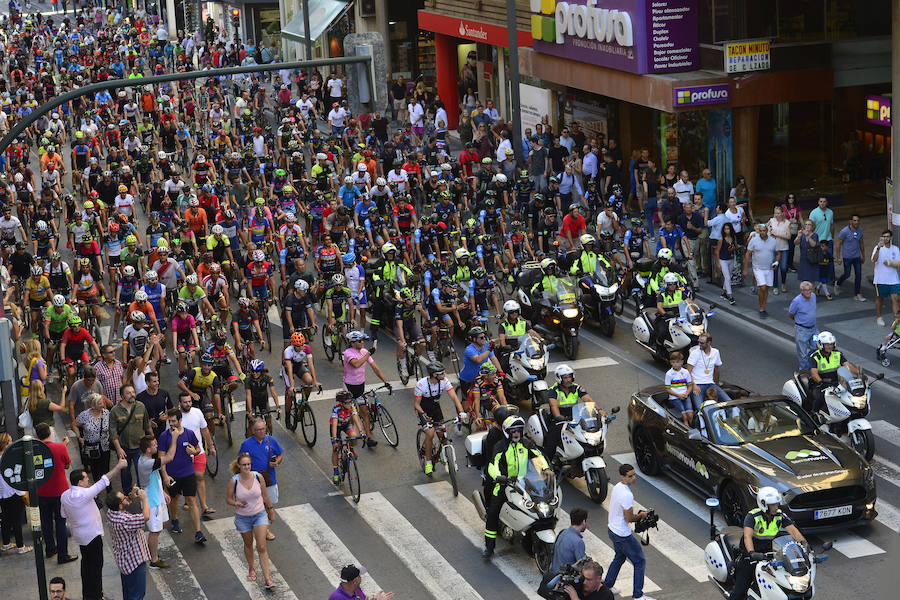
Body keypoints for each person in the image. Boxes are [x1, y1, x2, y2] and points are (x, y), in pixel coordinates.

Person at [61, 458, 129, 600]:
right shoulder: (83, 494)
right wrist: (118, 466)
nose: (88, 481)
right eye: (86, 479)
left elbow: (63, 514)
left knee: (86, 567)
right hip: (92, 536)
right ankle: (97, 595)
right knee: (96, 568)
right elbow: (103, 481)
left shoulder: (65, 496)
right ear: (80, 482)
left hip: (80, 537)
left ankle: (88, 595)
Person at [483, 415, 549, 558]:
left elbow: (538, 457)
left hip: (525, 483)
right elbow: (492, 465)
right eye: (513, 431)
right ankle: (489, 546)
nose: (517, 433)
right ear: (507, 432)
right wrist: (498, 477)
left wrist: (546, 469)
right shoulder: (500, 446)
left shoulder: (526, 444)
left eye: (519, 430)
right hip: (504, 484)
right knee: (493, 512)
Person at [728, 487, 806, 600]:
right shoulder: (753, 516)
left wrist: (805, 549)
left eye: (776, 504)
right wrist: (752, 553)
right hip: (751, 555)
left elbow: (794, 532)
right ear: (764, 504)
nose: (776, 507)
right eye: (773, 505)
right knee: (740, 590)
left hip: (770, 552)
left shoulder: (780, 516)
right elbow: (747, 536)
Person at [602, 464, 654, 600]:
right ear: (623, 476)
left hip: (612, 530)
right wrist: (642, 515)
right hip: (622, 534)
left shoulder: (617, 487)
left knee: (619, 557)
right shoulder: (627, 494)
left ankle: (606, 586)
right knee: (640, 561)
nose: (633, 478)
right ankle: (638, 595)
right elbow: (629, 518)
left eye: (634, 475)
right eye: (630, 476)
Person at [226, 453, 277, 589]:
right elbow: (228, 499)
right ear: (239, 466)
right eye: (244, 465)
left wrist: (271, 510)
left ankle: (267, 578)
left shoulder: (257, 477)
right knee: (248, 544)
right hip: (243, 518)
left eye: (248, 464)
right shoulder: (234, 481)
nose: (247, 467)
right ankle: (251, 568)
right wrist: (236, 503)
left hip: (259, 515)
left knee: (261, 546)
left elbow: (265, 495)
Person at [158, 408, 207, 545]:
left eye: (174, 421)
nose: (171, 423)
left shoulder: (189, 433)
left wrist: (195, 452)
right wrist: (165, 476)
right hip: (172, 475)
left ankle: (198, 532)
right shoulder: (164, 436)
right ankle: (174, 519)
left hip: (188, 473)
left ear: (180, 420)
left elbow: (198, 449)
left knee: (191, 500)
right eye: (170, 421)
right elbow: (161, 458)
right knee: (174, 499)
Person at [35, 423, 78, 564]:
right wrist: (63, 446)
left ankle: (50, 549)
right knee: (60, 522)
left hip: (41, 491)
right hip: (59, 491)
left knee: (46, 521)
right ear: (49, 433)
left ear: (37, 435)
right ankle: (63, 554)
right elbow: (66, 464)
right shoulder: (60, 447)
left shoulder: (34, 450)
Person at [414, 362, 465, 476]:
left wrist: (461, 412)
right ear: (434, 375)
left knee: (443, 435)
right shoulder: (421, 384)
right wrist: (424, 415)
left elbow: (454, 397)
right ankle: (428, 462)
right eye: (441, 373)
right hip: (423, 410)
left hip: (435, 408)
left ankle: (445, 456)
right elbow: (416, 405)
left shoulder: (444, 381)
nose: (444, 374)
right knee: (430, 434)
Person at [543, 364, 601, 463]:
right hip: (559, 421)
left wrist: (600, 411)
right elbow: (554, 407)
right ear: (559, 378)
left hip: (575, 419)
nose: (568, 380)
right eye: (565, 378)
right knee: (552, 441)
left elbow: (588, 400)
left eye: (570, 376)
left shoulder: (577, 388)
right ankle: (547, 464)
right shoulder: (553, 391)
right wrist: (559, 417)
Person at [136, 434, 178, 570]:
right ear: (148, 449)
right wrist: (175, 438)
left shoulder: (148, 459)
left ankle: (152, 551)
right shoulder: (147, 463)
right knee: (155, 531)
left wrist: (163, 492)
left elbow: (155, 475)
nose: (156, 446)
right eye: (154, 445)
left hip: (157, 497)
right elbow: (170, 457)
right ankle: (154, 559)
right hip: (151, 503)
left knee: (162, 524)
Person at [238, 418, 284, 541]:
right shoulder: (246, 444)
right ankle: (265, 529)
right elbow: (241, 461)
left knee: (270, 501)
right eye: (258, 430)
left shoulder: (271, 440)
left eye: (263, 429)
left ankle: (260, 524)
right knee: (261, 505)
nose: (261, 432)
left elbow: (280, 454)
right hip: (253, 480)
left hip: (269, 479)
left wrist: (276, 462)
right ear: (253, 431)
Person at [343, 330, 390, 447]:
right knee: (351, 413)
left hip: (360, 386)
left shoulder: (364, 351)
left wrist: (385, 381)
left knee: (364, 412)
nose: (362, 342)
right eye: (360, 341)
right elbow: (356, 364)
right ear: (353, 343)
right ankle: (351, 432)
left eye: (363, 340)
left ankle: (368, 437)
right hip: (349, 386)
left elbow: (375, 368)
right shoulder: (348, 353)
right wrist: (369, 353)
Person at [106, 486, 151, 600]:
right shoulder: (124, 520)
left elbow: (122, 505)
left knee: (128, 593)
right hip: (134, 562)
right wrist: (144, 499)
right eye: (123, 498)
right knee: (137, 596)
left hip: (124, 561)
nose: (126, 497)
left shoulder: (111, 513)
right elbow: (145, 516)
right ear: (120, 506)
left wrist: (130, 497)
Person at [109, 384, 152, 492]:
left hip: (140, 447)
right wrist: (118, 449)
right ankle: (127, 493)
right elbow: (113, 432)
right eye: (128, 393)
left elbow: (147, 425)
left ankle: (143, 492)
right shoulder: (115, 411)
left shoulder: (141, 406)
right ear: (122, 396)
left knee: (141, 472)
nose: (132, 395)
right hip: (124, 448)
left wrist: (152, 440)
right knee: (125, 473)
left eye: (133, 392)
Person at [807, 331, 859, 416]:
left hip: (837, 383)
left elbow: (847, 365)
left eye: (831, 344)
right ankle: (813, 415)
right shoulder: (815, 356)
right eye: (827, 344)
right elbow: (814, 373)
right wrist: (821, 382)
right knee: (819, 398)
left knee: (849, 397)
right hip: (820, 385)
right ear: (821, 344)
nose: (830, 346)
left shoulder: (837, 354)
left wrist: (858, 373)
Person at [0, 433, 31, 554]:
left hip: (2, 494)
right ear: (5, 444)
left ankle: (6, 544)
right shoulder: (9, 458)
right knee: (17, 520)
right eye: (10, 442)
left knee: (6, 520)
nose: (12, 444)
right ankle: (20, 546)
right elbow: (17, 476)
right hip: (13, 492)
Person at [743, 222, 779, 318]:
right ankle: (761, 308)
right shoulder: (754, 240)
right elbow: (747, 254)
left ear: (767, 231)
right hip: (757, 268)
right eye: (761, 231)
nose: (762, 232)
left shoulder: (773, 241)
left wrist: (776, 262)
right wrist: (745, 269)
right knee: (762, 287)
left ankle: (763, 306)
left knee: (766, 288)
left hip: (769, 268)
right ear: (758, 231)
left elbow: (778, 253)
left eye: (764, 231)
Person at [686, 334, 731, 404]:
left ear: (709, 343)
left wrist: (717, 382)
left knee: (729, 402)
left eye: (702, 343)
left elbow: (717, 369)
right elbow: (688, 372)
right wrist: (694, 386)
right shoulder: (695, 353)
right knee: (700, 408)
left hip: (710, 383)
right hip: (697, 384)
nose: (699, 344)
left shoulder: (715, 352)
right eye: (699, 342)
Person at [459, 326, 502, 400]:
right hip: (468, 380)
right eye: (481, 338)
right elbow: (478, 360)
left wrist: (501, 372)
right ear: (474, 339)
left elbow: (493, 359)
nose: (484, 339)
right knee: (467, 404)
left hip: (481, 378)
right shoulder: (469, 349)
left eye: (484, 337)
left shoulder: (486, 345)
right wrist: (489, 350)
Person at [871, 229, 900, 327]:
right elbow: (874, 259)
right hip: (881, 279)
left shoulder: (895, 249)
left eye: (887, 236)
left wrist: (891, 263)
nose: (886, 238)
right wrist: (878, 248)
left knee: (895, 298)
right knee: (880, 298)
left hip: (894, 279)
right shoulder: (877, 248)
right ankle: (879, 317)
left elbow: (898, 263)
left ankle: (897, 319)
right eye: (884, 236)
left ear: (891, 238)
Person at [788, 281, 818, 371]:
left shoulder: (813, 296)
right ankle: (804, 370)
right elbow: (790, 314)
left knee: (816, 347)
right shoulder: (796, 301)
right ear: (801, 291)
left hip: (814, 329)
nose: (808, 292)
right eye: (806, 290)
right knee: (802, 353)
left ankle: (811, 365)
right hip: (802, 330)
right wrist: (800, 321)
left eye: (810, 290)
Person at [835, 214, 866, 301]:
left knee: (858, 275)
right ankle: (838, 283)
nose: (856, 222)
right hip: (847, 257)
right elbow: (838, 244)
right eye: (854, 220)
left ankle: (857, 294)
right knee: (847, 274)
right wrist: (838, 257)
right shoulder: (844, 231)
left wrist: (863, 255)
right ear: (850, 221)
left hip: (857, 256)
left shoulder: (860, 230)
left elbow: (861, 243)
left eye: (858, 220)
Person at [550, 507, 589, 574]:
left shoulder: (563, 532)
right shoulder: (578, 542)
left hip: (553, 572)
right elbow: (583, 566)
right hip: (563, 577)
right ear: (583, 521)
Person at [329, 564, 395, 600]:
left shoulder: (355, 589)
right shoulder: (337, 598)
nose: (361, 578)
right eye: (359, 576)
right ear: (354, 581)